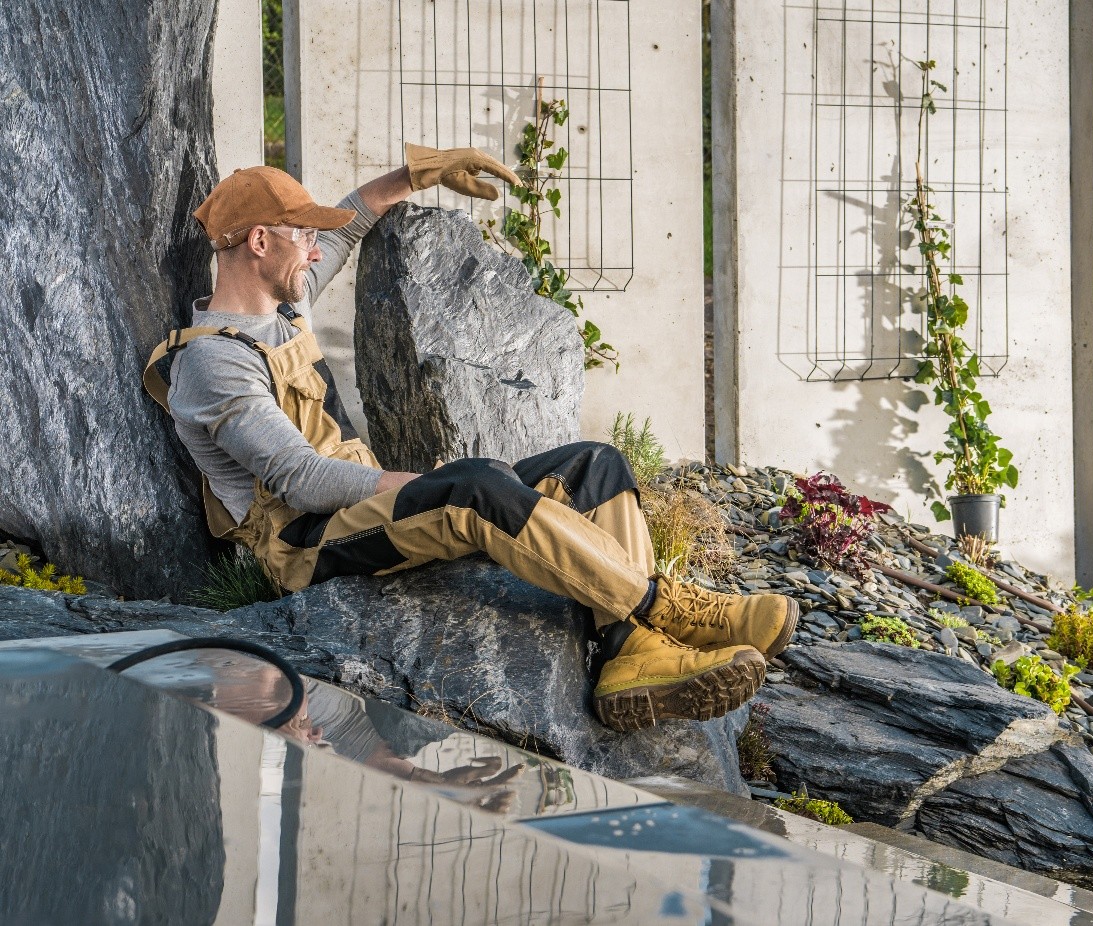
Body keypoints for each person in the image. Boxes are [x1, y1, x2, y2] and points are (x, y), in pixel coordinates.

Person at [142, 146, 798, 731]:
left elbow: (351, 218)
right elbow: (300, 481)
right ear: (259, 241)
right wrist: (418, 483)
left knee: (592, 465)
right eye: (302, 236)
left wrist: (418, 172)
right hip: (304, 545)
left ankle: (626, 655)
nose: (316, 251)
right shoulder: (214, 361)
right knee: (476, 487)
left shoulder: (283, 304)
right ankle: (666, 608)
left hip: (353, 511)